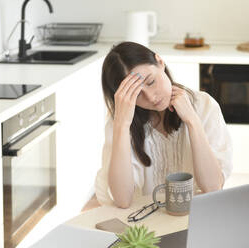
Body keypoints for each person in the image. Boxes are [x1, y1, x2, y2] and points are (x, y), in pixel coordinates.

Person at [94, 41, 233, 209]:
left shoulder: (204, 105)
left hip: (197, 218)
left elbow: (212, 188)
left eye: (151, 82)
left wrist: (192, 121)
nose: (151, 97)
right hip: (145, 225)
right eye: (137, 94)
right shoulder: (121, 121)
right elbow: (122, 200)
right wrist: (122, 126)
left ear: (160, 62)